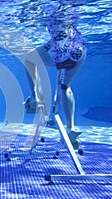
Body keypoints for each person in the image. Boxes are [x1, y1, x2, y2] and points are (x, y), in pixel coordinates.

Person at [24, 16, 86, 148]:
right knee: (65, 86)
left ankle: (35, 96)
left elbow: (34, 19)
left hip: (58, 51)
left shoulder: (49, 14)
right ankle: (71, 127)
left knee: (29, 60)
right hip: (79, 51)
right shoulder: (70, 18)